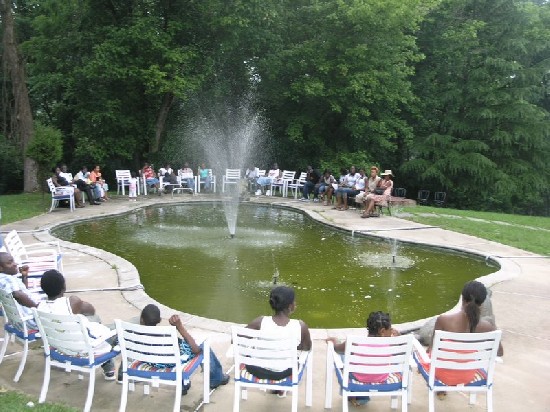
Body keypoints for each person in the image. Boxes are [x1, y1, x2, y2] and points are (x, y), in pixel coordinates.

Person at [117, 304, 230, 393]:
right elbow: (195, 350)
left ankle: (183, 385)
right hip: (169, 365)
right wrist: (180, 327)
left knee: (176, 354)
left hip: (150, 362)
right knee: (203, 348)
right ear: (160, 320)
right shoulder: (167, 337)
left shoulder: (132, 335)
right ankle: (216, 379)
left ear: (142, 319)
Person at [421, 280, 504, 388]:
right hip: (467, 375)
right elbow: (500, 353)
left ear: (463, 298)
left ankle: (440, 389)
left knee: (423, 355)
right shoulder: (487, 327)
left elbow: (432, 349)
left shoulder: (444, 320)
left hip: (441, 375)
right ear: (482, 303)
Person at [37, 269, 117, 380]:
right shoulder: (72, 301)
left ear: (43, 288)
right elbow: (91, 310)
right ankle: (118, 371)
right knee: (119, 330)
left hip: (61, 348)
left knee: (94, 321)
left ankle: (109, 368)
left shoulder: (40, 308)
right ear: (64, 287)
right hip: (84, 350)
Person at [326, 311, 400, 406]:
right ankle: (361, 397)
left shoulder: (354, 343)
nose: (391, 332)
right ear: (382, 331)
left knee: (344, 355)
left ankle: (356, 394)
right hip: (381, 377)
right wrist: (399, 336)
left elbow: (337, 349)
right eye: (390, 329)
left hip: (358, 377)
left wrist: (334, 341)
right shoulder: (391, 344)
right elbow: (404, 349)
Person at [245, 286, 311, 382]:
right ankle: (279, 388)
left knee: (249, 355)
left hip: (258, 370)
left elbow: (236, 340)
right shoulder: (300, 326)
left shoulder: (260, 321)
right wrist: (289, 346)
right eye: (294, 301)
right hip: (284, 372)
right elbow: (307, 347)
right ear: (290, 306)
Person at [0, 252, 40, 328]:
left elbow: (22, 292)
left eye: (13, 261)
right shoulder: (8, 279)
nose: (15, 264)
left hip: (18, 321)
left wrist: (24, 276)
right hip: (32, 320)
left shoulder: (4, 278)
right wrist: (37, 308)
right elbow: (17, 295)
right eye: (9, 263)